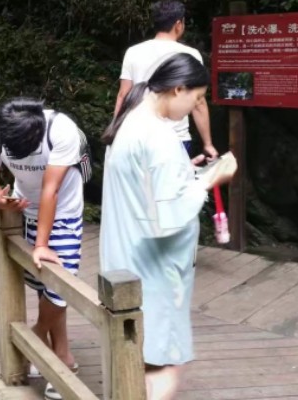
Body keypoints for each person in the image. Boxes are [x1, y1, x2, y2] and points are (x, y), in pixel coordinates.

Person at [100, 53, 236, 400]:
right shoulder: (158, 136)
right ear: (178, 89)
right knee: (163, 363)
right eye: (197, 99)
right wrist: (211, 179)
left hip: (126, 259)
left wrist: (185, 169)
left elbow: (147, 186)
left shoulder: (133, 118)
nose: (195, 107)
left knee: (136, 356)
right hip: (153, 270)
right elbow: (170, 215)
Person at [0, 98, 84, 400]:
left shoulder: (62, 130)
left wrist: (40, 244)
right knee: (43, 286)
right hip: (26, 208)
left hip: (64, 208)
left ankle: (36, 339)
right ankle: (61, 359)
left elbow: (51, 189)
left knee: (59, 284)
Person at [115, 0, 217, 159]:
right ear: (178, 24)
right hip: (177, 138)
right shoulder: (191, 55)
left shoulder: (133, 52)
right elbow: (199, 103)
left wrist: (117, 132)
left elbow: (123, 95)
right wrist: (208, 143)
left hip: (138, 136)